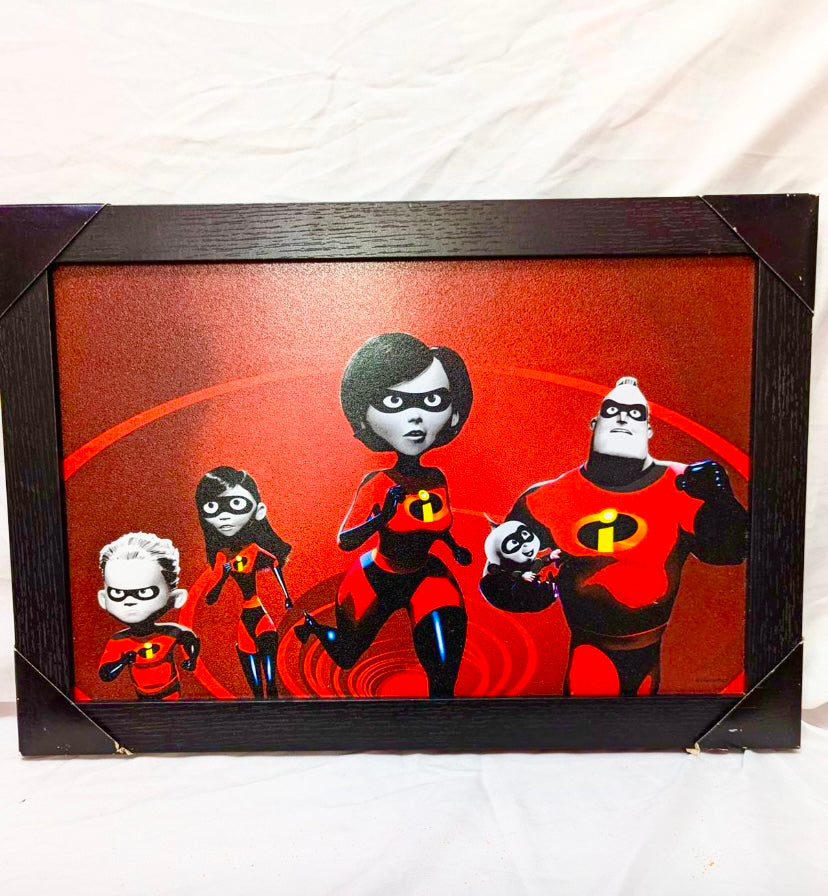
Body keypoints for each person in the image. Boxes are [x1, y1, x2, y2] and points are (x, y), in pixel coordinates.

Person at [480, 376, 748, 696]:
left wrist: (720, 501)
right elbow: (496, 569)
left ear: (649, 430)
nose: (623, 417)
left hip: (654, 651)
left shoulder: (681, 483)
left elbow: (729, 551)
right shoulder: (545, 498)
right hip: (588, 649)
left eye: (635, 413)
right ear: (595, 423)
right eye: (612, 410)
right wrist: (515, 592)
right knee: (587, 713)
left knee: (641, 716)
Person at [294, 332, 473, 697]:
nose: (416, 417)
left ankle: (443, 725)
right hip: (376, 576)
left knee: (444, 670)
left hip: (426, 574)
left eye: (433, 400)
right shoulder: (378, 482)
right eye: (393, 401)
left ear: (453, 412)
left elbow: (436, 525)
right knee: (346, 655)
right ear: (364, 414)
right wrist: (383, 516)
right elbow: (345, 541)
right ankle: (313, 626)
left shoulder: (436, 478)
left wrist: (454, 547)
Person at [196, 467, 292, 699]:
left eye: (235, 504)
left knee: (271, 685)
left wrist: (286, 597)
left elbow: (275, 563)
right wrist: (224, 574)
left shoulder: (255, 549)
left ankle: (273, 703)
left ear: (259, 511)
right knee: (256, 688)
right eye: (212, 507)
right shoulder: (222, 556)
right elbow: (211, 597)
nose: (223, 516)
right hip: (244, 619)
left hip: (261, 613)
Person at [97, 531, 199, 700]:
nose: (129, 601)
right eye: (117, 593)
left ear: (176, 598)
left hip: (171, 692)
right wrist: (123, 661)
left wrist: (192, 658)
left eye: (144, 592)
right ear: (103, 599)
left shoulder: (169, 633)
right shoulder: (118, 641)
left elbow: (190, 638)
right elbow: (105, 674)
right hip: (143, 696)